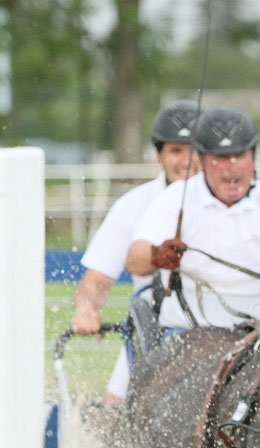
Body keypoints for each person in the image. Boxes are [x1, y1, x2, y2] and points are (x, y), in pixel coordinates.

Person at [126, 106, 260, 332]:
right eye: (221, 158)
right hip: (184, 332)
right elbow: (134, 260)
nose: (232, 168)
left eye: (239, 156)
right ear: (202, 160)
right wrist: (157, 256)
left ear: (253, 157)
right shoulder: (175, 197)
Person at [71, 100, 202, 405]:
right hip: (156, 327)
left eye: (193, 149)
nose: (187, 160)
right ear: (159, 156)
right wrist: (87, 309)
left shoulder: (227, 203)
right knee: (112, 413)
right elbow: (97, 279)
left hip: (227, 320)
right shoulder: (132, 205)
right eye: (176, 150)